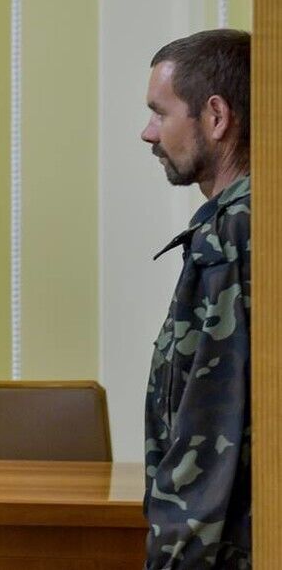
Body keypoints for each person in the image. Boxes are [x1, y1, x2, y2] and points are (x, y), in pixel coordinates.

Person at [139, 29, 251, 568]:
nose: (147, 132)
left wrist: (173, 556)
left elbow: (212, 424)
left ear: (216, 117)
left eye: (160, 113)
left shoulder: (232, 235)